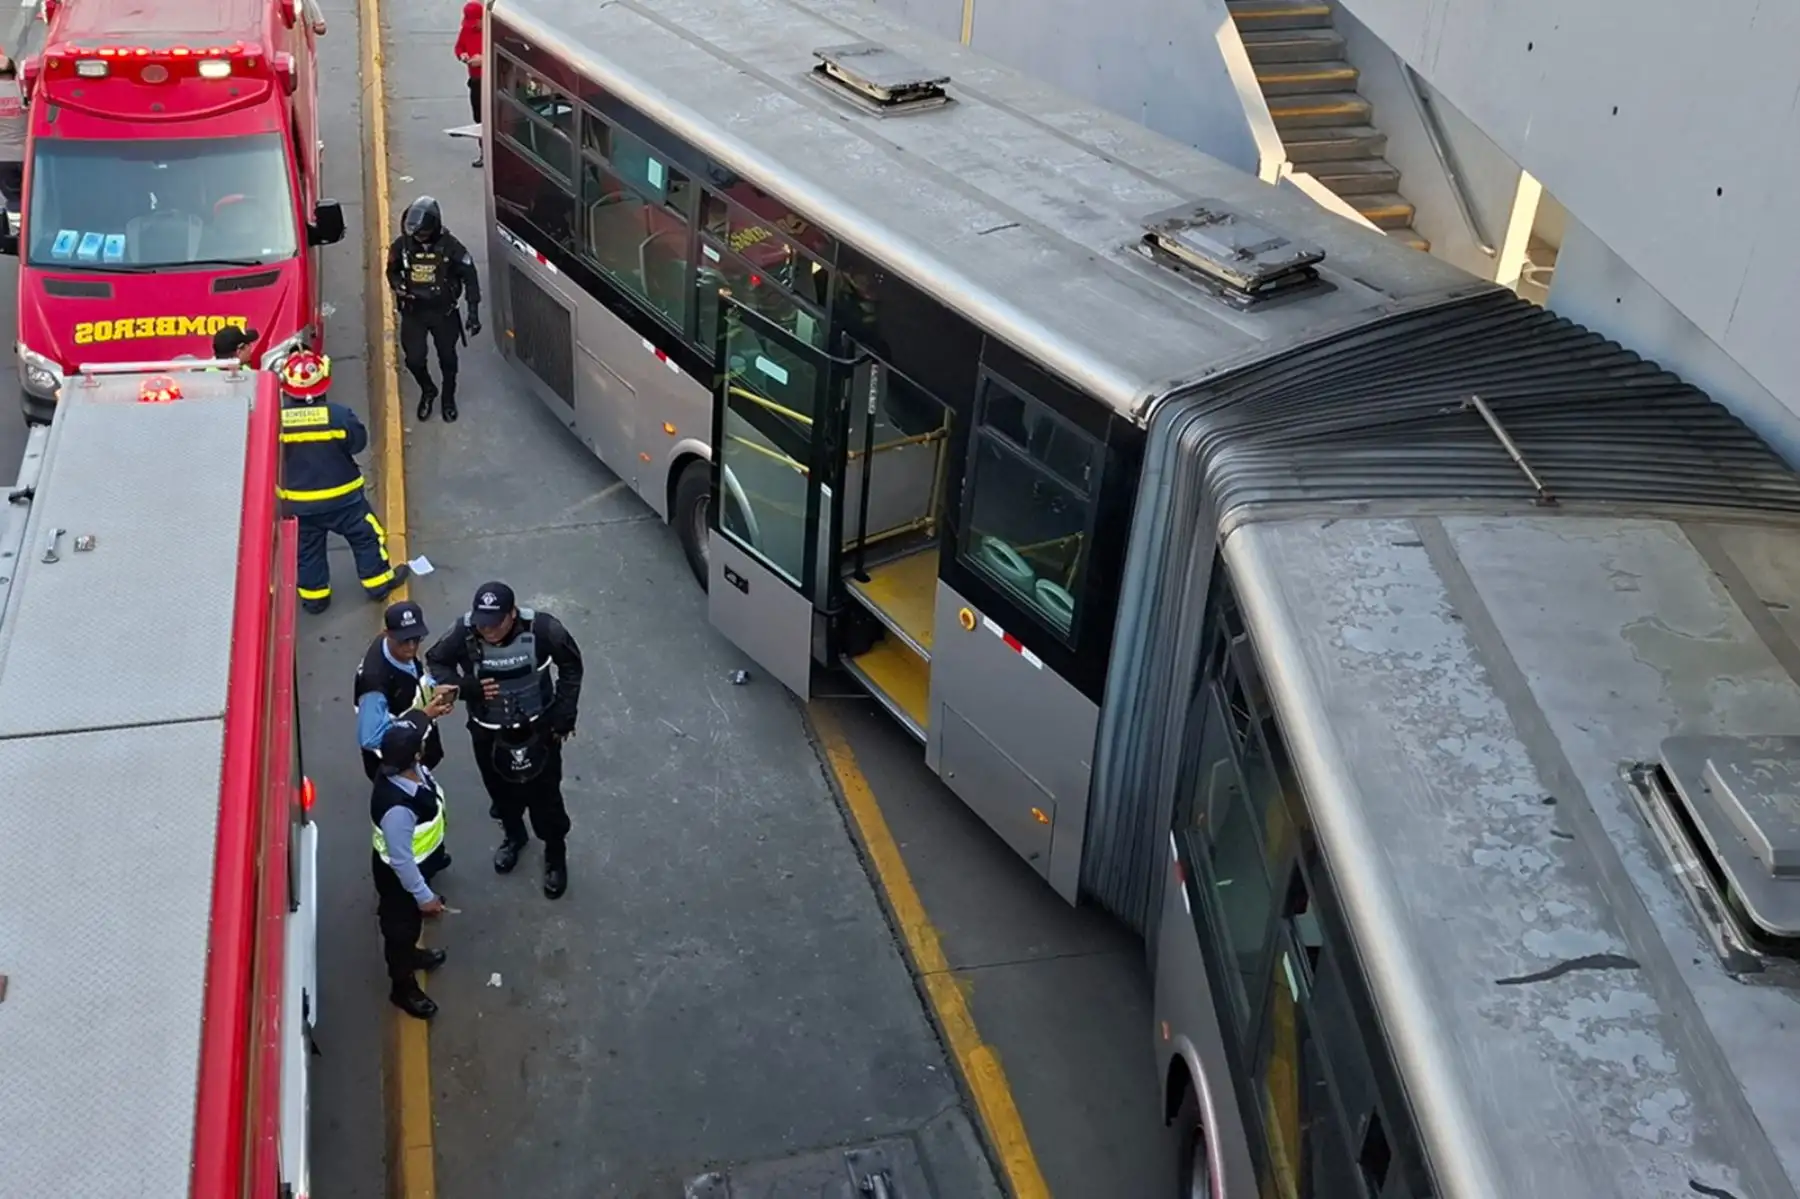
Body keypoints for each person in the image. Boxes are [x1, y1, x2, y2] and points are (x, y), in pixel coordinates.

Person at [425, 581, 583, 899]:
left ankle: (555, 854)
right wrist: (465, 687)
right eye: (482, 624)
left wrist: (563, 716)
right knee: (501, 792)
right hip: (488, 731)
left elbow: (571, 666)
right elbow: (436, 660)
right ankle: (514, 836)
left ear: (512, 614)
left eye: (495, 623)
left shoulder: (544, 630)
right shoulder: (463, 632)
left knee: (546, 799)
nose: (488, 631)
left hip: (539, 730)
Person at [277, 349, 410, 613]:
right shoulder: (338, 416)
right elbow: (357, 444)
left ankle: (315, 599)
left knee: (307, 548)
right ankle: (377, 584)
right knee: (366, 537)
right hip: (344, 500)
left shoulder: (277, 421)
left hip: (298, 504)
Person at [371, 713, 451, 1020]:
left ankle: (413, 957)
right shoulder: (397, 810)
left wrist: (429, 709)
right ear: (415, 754)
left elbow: (414, 722)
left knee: (410, 928)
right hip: (400, 882)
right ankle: (403, 988)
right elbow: (402, 860)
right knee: (400, 933)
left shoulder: (406, 768)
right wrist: (424, 896)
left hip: (420, 867)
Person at [385, 196, 481, 423]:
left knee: (448, 359)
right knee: (414, 360)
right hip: (413, 312)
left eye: (423, 234)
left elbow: (471, 278)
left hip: (443, 314)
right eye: (415, 235)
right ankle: (428, 390)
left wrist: (473, 313)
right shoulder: (402, 246)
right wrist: (398, 286)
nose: (419, 239)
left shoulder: (452, 247)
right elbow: (392, 270)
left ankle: (448, 398)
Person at [356, 600, 456, 781]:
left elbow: (413, 677)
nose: (411, 647)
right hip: (397, 768)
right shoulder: (375, 684)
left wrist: (432, 691)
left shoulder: (396, 650)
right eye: (404, 640)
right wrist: (423, 717)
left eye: (416, 639)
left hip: (415, 752)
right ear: (387, 634)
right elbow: (370, 738)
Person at [454, 2, 484, 168]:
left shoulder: (491, 33)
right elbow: (459, 47)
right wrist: (463, 55)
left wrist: (483, 59)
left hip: (491, 81)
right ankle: (483, 153)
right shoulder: (466, 31)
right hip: (475, 80)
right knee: (479, 118)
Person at [0, 54, 24, 244]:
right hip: (30, 155)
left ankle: (18, 234)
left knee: (14, 199)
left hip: (4, 158)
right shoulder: (24, 90)